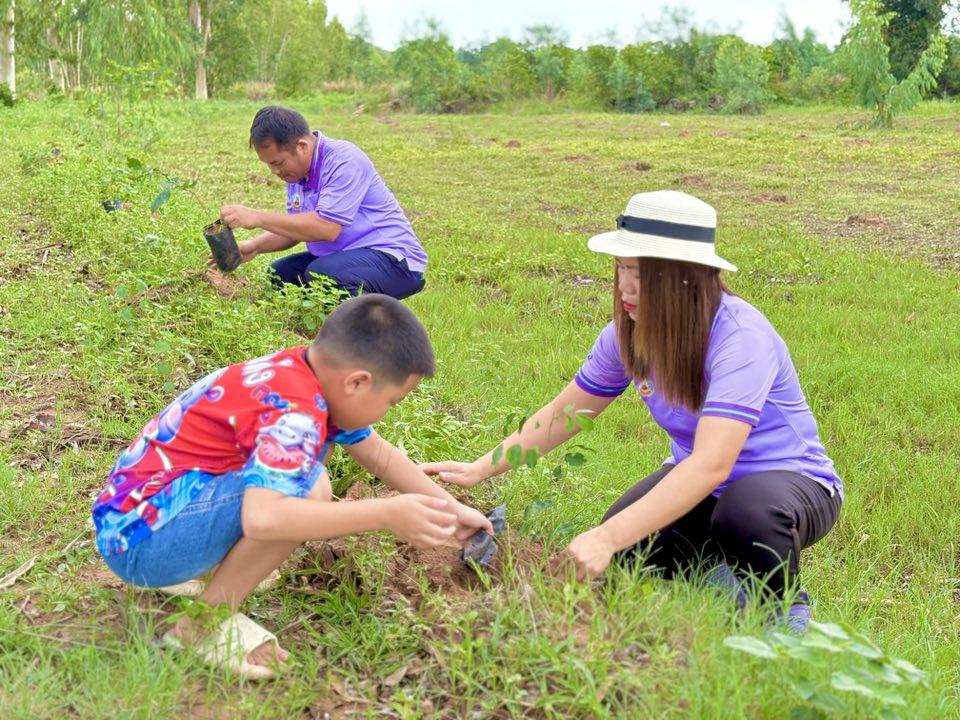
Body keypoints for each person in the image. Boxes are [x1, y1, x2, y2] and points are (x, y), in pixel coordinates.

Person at [422, 191, 843, 632]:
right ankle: (728, 590)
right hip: (705, 487)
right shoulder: (626, 335)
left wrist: (603, 539)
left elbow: (711, 466)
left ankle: (784, 619)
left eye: (641, 275)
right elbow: (566, 415)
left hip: (788, 486)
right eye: (622, 269)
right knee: (628, 553)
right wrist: (481, 468)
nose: (624, 287)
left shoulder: (740, 338)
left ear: (686, 278)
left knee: (743, 514)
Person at [93, 294, 491, 679]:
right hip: (146, 546)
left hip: (140, 522)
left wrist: (451, 507)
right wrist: (384, 513)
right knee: (304, 492)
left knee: (305, 477)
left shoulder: (302, 372)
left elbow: (379, 454)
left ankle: (212, 571)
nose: (387, 413)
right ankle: (201, 625)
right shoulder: (297, 416)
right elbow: (265, 519)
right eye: (393, 401)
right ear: (356, 382)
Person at [217, 106, 427, 300]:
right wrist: (254, 247)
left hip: (394, 261)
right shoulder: (297, 175)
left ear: (302, 146)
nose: (274, 172)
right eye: (269, 165)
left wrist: (257, 217)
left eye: (278, 163)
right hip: (346, 256)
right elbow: (296, 228)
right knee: (279, 275)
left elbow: (327, 228)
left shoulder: (344, 160)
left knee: (322, 274)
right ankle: (314, 326)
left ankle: (369, 329)